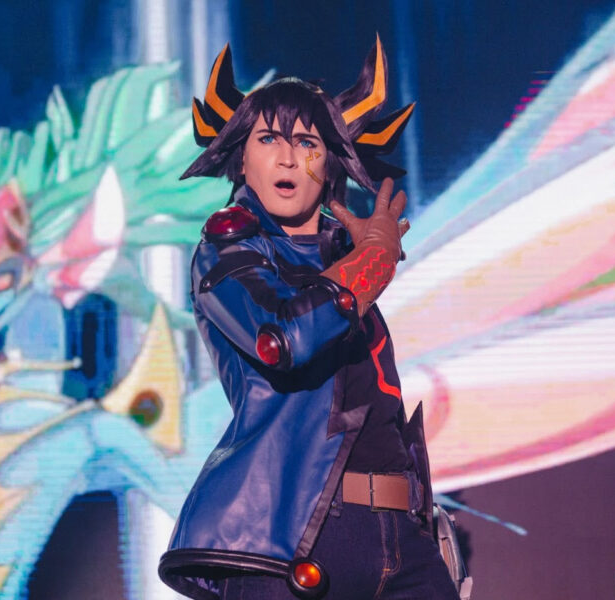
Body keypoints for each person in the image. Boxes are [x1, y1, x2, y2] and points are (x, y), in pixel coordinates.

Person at [159, 39, 460, 600]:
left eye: (307, 143)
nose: (288, 158)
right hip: (294, 536)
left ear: (331, 164)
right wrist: (365, 269)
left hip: (400, 535)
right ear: (241, 158)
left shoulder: (341, 259)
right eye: (268, 139)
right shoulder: (228, 251)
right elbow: (282, 339)